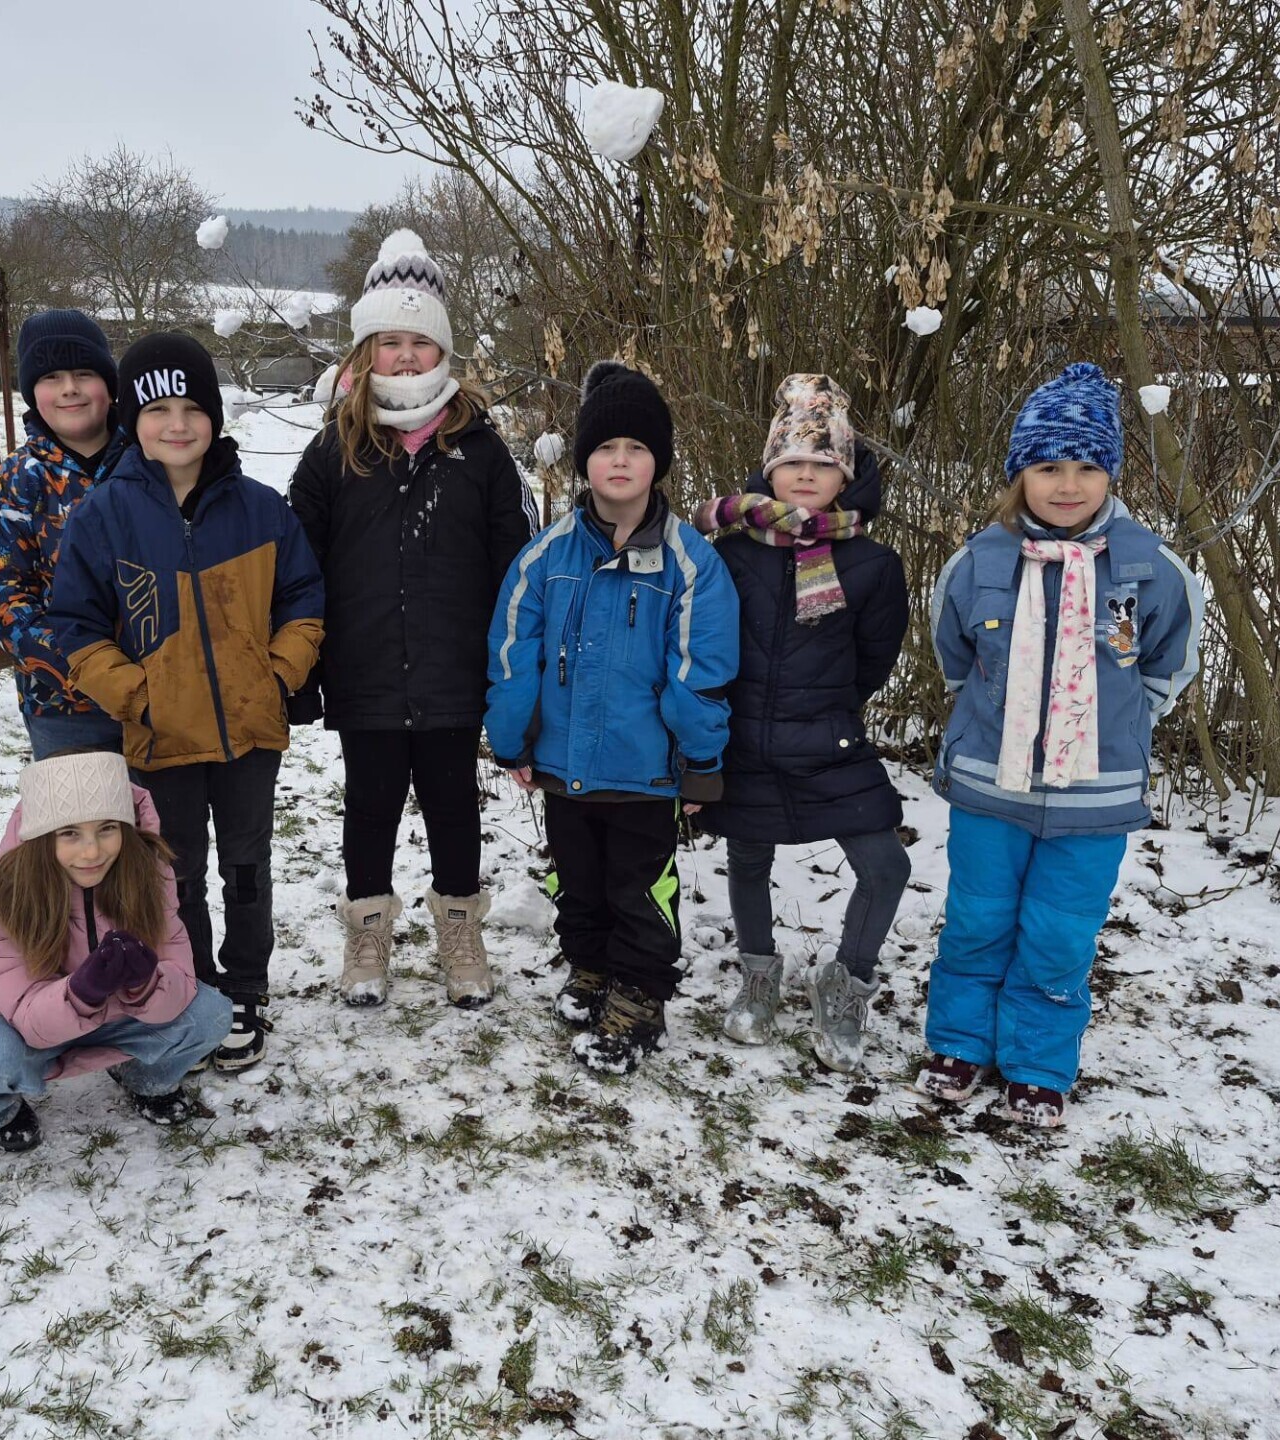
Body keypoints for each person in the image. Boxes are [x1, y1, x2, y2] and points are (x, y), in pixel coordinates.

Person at [921, 362, 1203, 1127]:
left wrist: (1117, 725)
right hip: (991, 786)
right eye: (1048, 468)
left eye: (1086, 467)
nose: (1068, 485)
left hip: (1093, 798)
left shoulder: (1149, 568)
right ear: (1020, 474)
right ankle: (959, 1042)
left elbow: (1168, 663)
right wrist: (999, 717)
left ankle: (1038, 1062)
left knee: (1059, 932)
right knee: (977, 919)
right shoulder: (980, 562)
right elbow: (955, 657)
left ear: (1111, 473)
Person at [47, 331, 324, 1072]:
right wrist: (136, 695)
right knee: (177, 872)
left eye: (193, 408)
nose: (177, 424)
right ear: (131, 420)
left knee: (247, 863)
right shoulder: (103, 516)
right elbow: (75, 625)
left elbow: (303, 598)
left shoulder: (261, 509)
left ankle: (247, 984)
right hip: (161, 735)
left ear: (215, 416)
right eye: (157, 410)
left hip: (248, 733)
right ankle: (192, 984)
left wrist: (277, 675)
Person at [287, 228, 538, 1010]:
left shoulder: (481, 452)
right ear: (365, 354)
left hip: (453, 674)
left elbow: (516, 572)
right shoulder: (332, 452)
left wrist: (509, 669)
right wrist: (305, 667)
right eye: (388, 342)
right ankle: (367, 934)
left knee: (453, 805)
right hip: (363, 671)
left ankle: (461, 932)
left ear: (443, 352)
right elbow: (298, 567)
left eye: (419, 342)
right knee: (368, 807)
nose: (404, 356)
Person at [485, 362, 738, 1074]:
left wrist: (701, 762)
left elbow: (700, 672)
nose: (619, 460)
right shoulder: (546, 556)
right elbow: (513, 652)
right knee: (578, 880)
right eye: (604, 447)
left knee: (640, 888)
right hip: (565, 764)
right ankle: (590, 966)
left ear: (659, 461)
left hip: (646, 773)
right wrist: (513, 741)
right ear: (583, 461)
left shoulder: (690, 565)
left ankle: (639, 993)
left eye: (636, 447)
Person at [690, 375, 911, 1073]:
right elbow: (705, 646)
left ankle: (845, 983)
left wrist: (825, 708)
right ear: (770, 471)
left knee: (886, 865)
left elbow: (874, 659)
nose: (807, 475)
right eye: (793, 462)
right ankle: (759, 975)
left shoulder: (873, 563)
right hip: (745, 742)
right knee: (748, 860)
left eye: (823, 463)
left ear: (845, 475)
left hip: (829, 743)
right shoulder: (729, 553)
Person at [0, 751, 232, 1151]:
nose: (92, 851)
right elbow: (27, 1016)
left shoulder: (150, 876)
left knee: (210, 1012)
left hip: (123, 1012)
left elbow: (180, 982)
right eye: (70, 833)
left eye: (107, 828)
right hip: (29, 1026)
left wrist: (147, 983)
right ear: (41, 837)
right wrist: (81, 992)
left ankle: (144, 1078)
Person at [0, 309, 128, 759]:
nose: (69, 388)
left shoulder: (148, 461)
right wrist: (88, 671)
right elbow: (3, 591)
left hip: (163, 689)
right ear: (31, 391)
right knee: (86, 805)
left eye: (84, 373)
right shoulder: (17, 479)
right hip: (65, 707)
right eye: (51, 377)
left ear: (109, 384)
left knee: (168, 806)